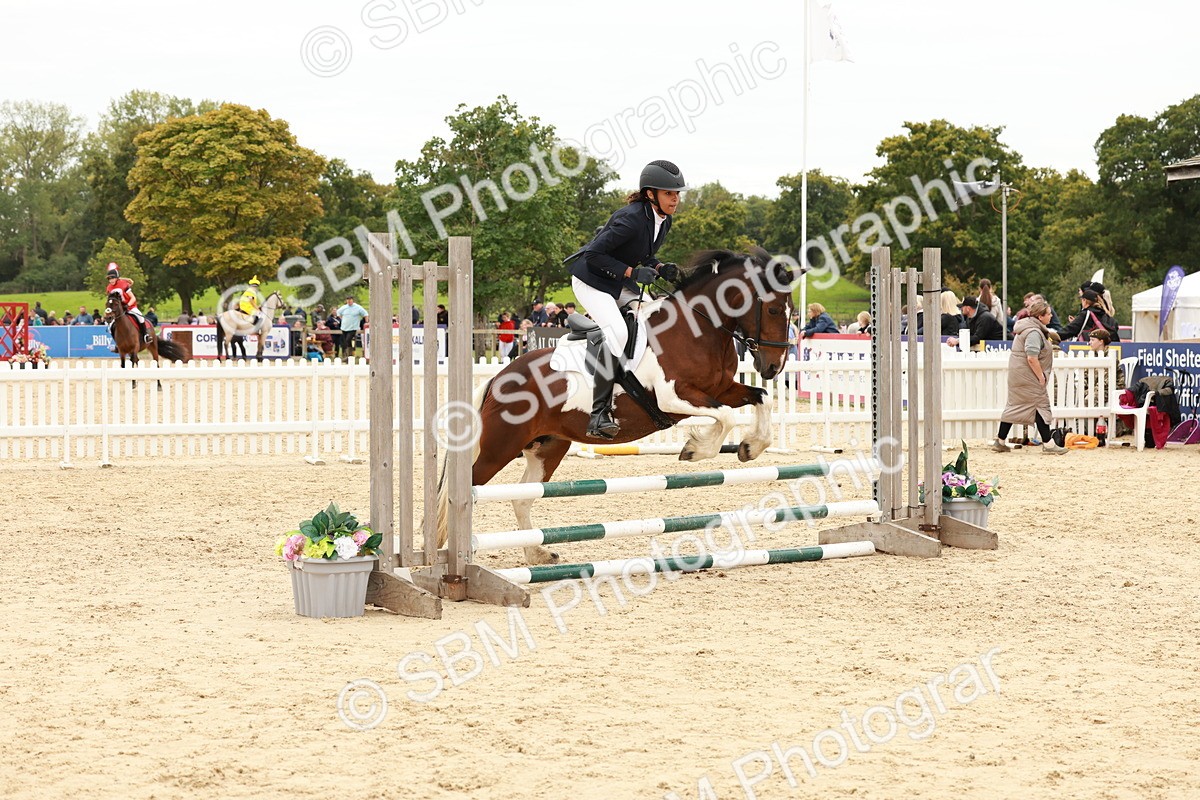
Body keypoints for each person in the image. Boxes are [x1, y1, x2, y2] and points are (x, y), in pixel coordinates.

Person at [564, 159, 686, 438]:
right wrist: (632, 272)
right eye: (669, 193)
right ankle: (598, 413)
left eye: (677, 193)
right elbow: (593, 255)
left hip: (618, 281)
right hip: (592, 281)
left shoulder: (663, 221)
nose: (675, 199)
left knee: (656, 314)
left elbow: (643, 254)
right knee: (618, 332)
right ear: (650, 194)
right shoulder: (630, 218)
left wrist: (659, 267)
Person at [992, 300, 1067, 455]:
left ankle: (1000, 441)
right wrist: (1041, 376)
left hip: (1020, 375)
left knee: (1015, 406)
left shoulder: (1029, 328)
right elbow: (1032, 357)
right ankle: (1049, 444)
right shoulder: (1033, 332)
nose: (1051, 316)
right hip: (1029, 376)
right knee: (1041, 406)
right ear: (1040, 316)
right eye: (1048, 314)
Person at [104, 262, 152, 343]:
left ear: (117, 278)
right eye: (109, 279)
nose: (111, 280)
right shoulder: (109, 288)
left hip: (130, 306)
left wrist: (127, 305)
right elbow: (110, 301)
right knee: (111, 325)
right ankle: (117, 342)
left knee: (140, 318)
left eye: (112, 278)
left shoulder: (123, 284)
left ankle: (145, 335)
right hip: (118, 309)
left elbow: (133, 298)